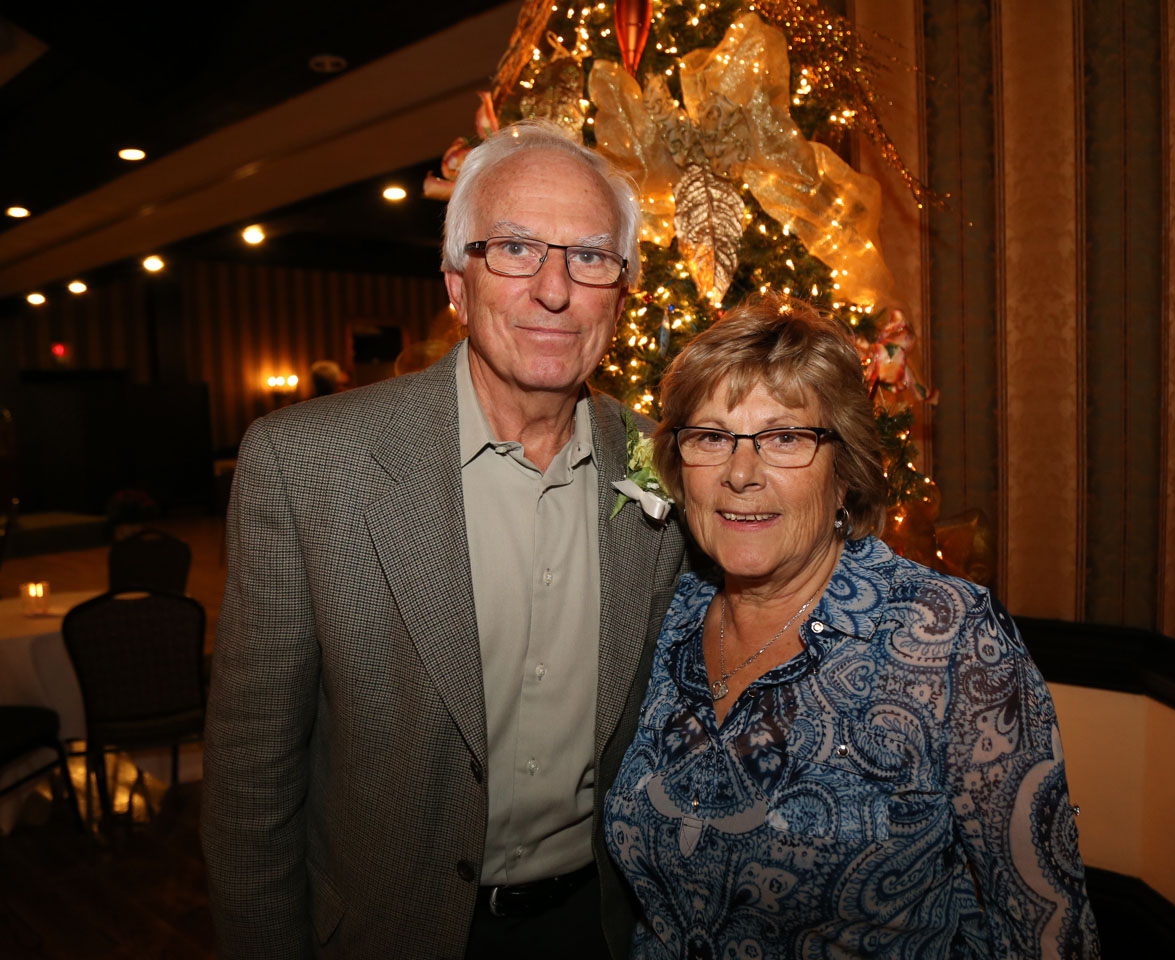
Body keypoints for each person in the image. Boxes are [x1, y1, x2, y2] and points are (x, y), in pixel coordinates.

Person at [202, 120, 686, 959]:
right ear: (457, 286)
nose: (555, 289)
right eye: (515, 249)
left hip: (599, 929)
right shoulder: (308, 465)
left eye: (591, 256)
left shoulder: (668, 467)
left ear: (623, 290)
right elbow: (253, 783)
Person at [604, 295, 1099, 959]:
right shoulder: (665, 615)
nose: (740, 474)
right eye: (711, 437)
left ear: (845, 475)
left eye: (785, 438)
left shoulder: (948, 638)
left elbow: (1045, 925)